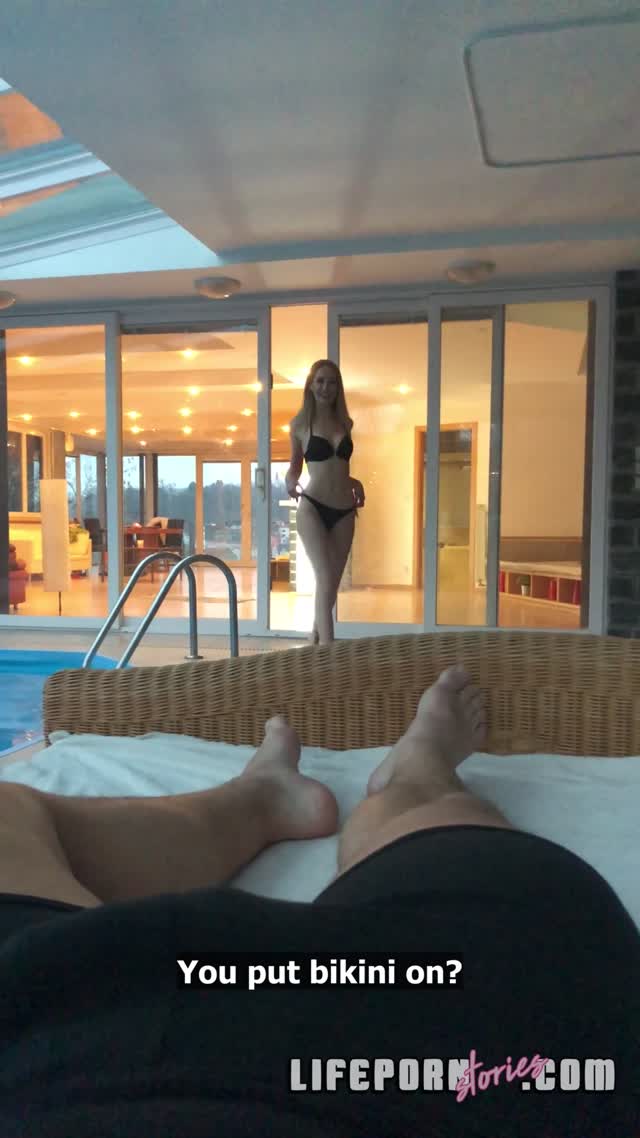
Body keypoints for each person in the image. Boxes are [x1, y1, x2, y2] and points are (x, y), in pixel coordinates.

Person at [0, 667, 638, 1137]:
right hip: (450, 1061)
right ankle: (413, 776)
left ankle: (263, 797)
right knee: (497, 896)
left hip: (50, 1011)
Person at [285, 359, 365, 644]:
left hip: (344, 509)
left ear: (338, 388)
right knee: (325, 576)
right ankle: (329, 653)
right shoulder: (300, 424)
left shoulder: (345, 423)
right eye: (320, 381)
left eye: (332, 382)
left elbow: (337, 466)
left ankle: (315, 639)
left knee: (332, 583)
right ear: (310, 384)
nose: (325, 387)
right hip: (313, 507)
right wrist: (289, 480)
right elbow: (296, 466)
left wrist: (355, 482)